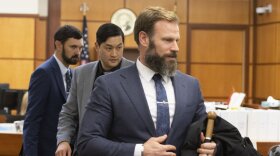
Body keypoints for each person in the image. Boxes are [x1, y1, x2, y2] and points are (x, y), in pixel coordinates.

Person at [78, 6, 217, 156]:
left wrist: (214, 147)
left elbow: (206, 135)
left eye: (177, 40)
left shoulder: (191, 86)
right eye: (167, 40)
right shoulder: (109, 85)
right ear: (144, 39)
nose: (176, 48)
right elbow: (87, 143)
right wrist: (140, 151)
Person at [55, 23, 134, 156]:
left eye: (119, 48)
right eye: (108, 48)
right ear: (97, 46)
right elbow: (68, 113)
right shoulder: (80, 73)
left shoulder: (135, 73)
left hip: (121, 150)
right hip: (86, 150)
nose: (114, 54)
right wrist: (63, 140)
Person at [23, 25, 83, 156]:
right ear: (59, 45)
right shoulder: (43, 73)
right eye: (73, 47)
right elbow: (32, 121)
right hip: (46, 150)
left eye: (80, 48)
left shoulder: (73, 74)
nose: (78, 52)